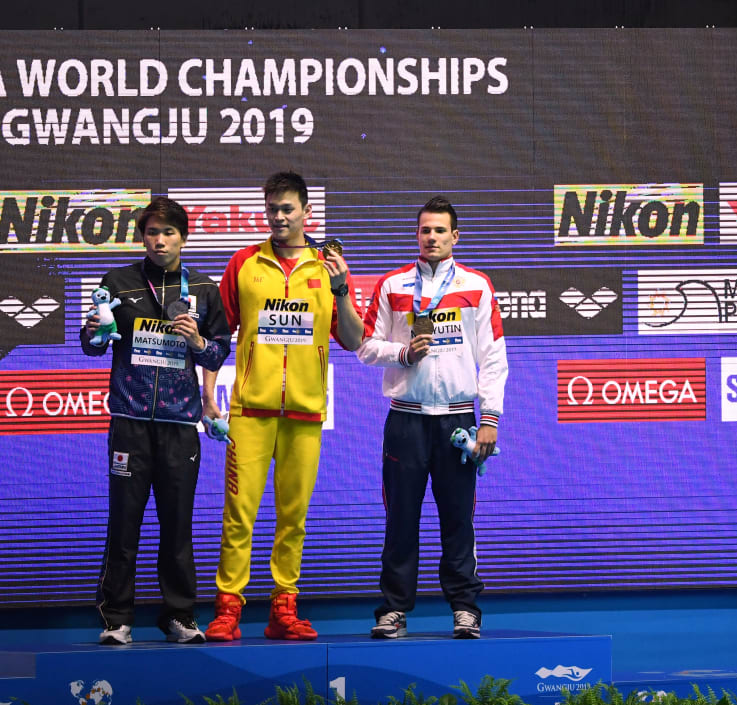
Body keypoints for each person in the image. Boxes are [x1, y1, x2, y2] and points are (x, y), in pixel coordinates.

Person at [201, 171, 364, 641]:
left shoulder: (328, 266)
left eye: (287, 208)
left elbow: (352, 340)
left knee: (293, 517)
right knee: (239, 514)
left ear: (307, 212)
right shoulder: (245, 263)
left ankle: (283, 609)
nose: (278, 216)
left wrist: (340, 290)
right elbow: (219, 335)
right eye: (271, 208)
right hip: (249, 412)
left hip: (305, 414)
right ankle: (229, 609)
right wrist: (209, 393)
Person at [80, 196, 232, 645]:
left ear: (183, 237)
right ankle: (117, 619)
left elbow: (220, 351)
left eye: (168, 232)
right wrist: (92, 332)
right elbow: (92, 346)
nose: (159, 240)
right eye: (151, 233)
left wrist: (199, 340)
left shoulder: (203, 289)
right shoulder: (119, 282)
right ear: (142, 237)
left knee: (178, 524)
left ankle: (179, 616)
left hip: (180, 425)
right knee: (123, 523)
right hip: (129, 420)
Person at [357, 196, 508, 639]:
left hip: (458, 422)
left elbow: (493, 356)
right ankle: (394, 610)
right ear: (416, 235)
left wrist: (491, 418)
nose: (432, 237)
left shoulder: (477, 286)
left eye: (440, 230)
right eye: (425, 230)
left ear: (455, 236)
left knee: (458, 517)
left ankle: (465, 607)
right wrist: (401, 352)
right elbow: (366, 346)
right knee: (400, 517)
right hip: (405, 420)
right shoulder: (393, 285)